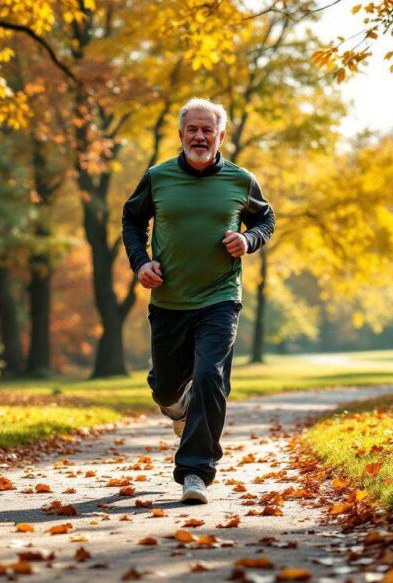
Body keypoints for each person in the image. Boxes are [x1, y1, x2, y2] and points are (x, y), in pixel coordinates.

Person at [121, 97, 275, 504]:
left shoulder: (241, 180)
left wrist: (248, 239)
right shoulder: (157, 177)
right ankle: (177, 404)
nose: (200, 136)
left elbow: (265, 219)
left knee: (211, 376)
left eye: (208, 130)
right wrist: (140, 262)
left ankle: (195, 471)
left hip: (220, 298)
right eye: (193, 129)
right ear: (181, 134)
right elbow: (132, 219)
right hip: (169, 299)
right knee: (166, 389)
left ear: (221, 136)